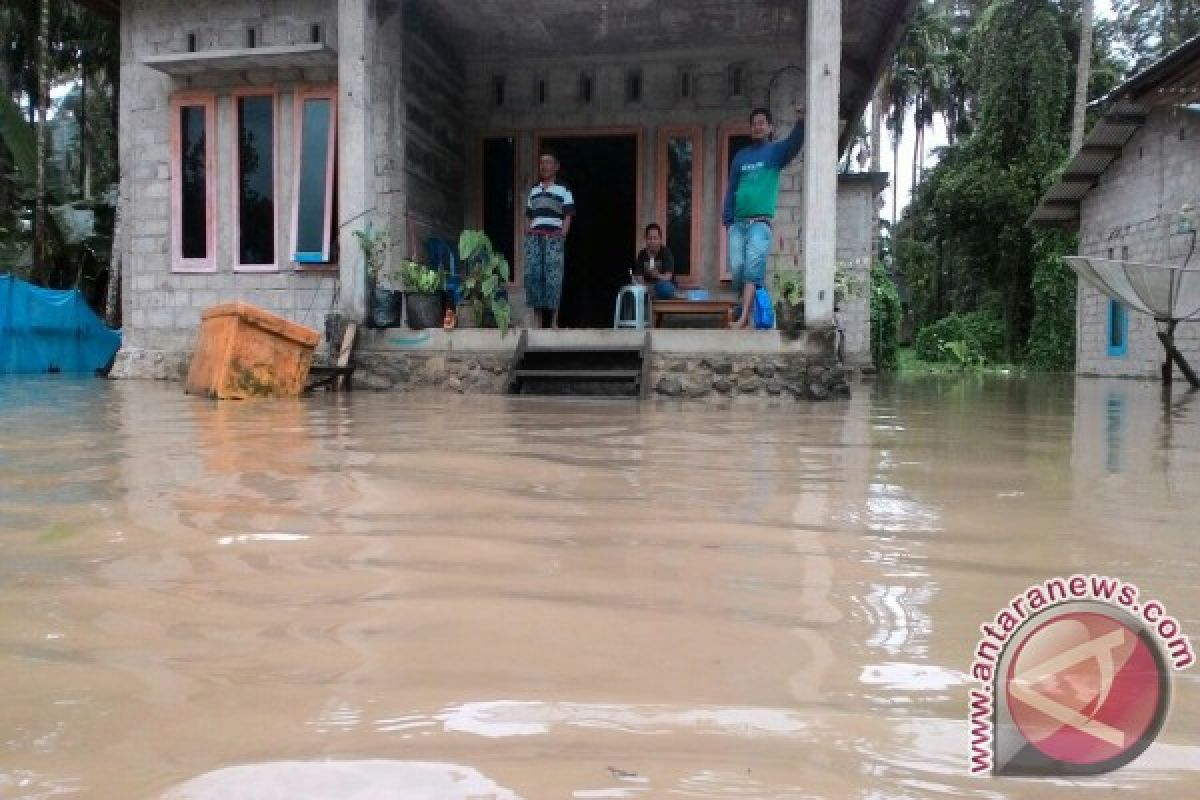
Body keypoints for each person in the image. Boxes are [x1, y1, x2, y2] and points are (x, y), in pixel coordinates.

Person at [722, 106, 805, 329]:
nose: (757, 126)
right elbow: (731, 188)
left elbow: (793, 144)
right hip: (738, 224)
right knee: (738, 269)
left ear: (769, 127)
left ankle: (743, 318)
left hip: (760, 223)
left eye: (761, 122)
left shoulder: (775, 153)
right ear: (751, 128)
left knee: (751, 268)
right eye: (754, 123)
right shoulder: (741, 156)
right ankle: (752, 298)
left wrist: (801, 120)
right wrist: (727, 220)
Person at [524, 152, 575, 329]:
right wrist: (528, 231)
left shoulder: (564, 189)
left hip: (554, 237)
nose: (544, 166)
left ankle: (554, 321)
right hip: (534, 238)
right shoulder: (534, 189)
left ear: (556, 166)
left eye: (548, 162)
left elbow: (568, 214)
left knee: (554, 278)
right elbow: (528, 214)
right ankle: (538, 322)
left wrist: (563, 234)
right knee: (534, 277)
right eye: (541, 162)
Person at [633, 223, 676, 300]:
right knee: (633, 291)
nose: (652, 241)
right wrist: (643, 285)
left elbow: (668, 277)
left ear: (660, 239)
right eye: (650, 238)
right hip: (646, 286)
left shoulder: (666, 252)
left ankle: (652, 296)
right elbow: (639, 277)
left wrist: (657, 275)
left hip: (662, 286)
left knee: (666, 289)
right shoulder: (642, 254)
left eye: (655, 238)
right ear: (645, 239)